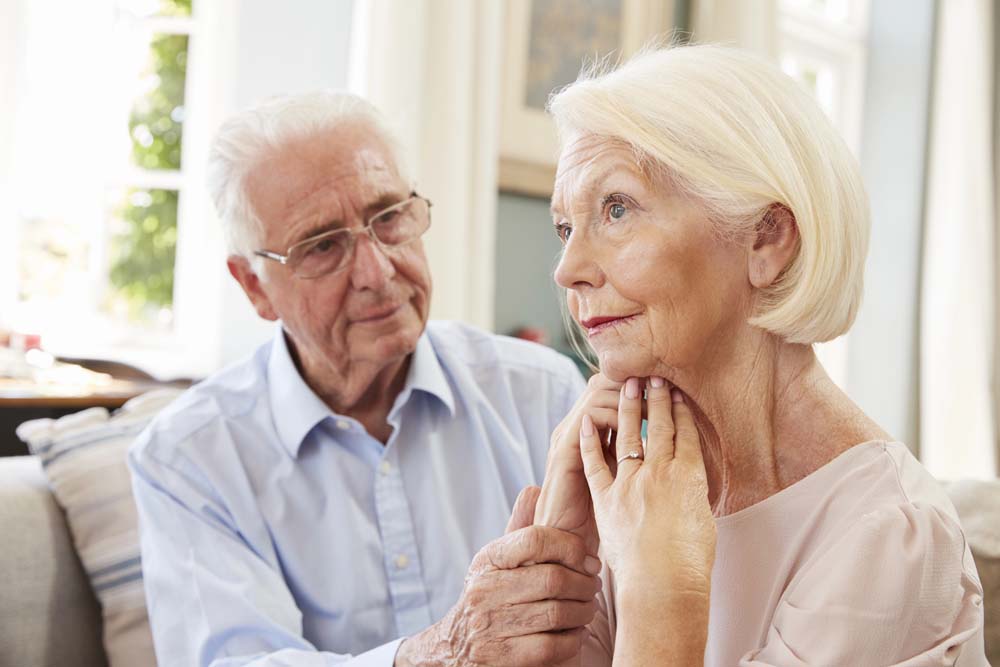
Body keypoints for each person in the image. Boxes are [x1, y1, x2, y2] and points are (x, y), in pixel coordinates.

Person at [535, 44, 989, 665]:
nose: (568, 270)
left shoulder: (888, 536)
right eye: (565, 227)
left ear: (766, 239)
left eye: (617, 209)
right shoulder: (639, 484)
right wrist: (559, 553)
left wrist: (662, 599)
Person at [128, 91, 598, 667]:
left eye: (389, 217)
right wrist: (445, 653)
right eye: (322, 245)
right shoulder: (188, 455)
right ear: (254, 287)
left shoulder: (541, 391)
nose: (377, 272)